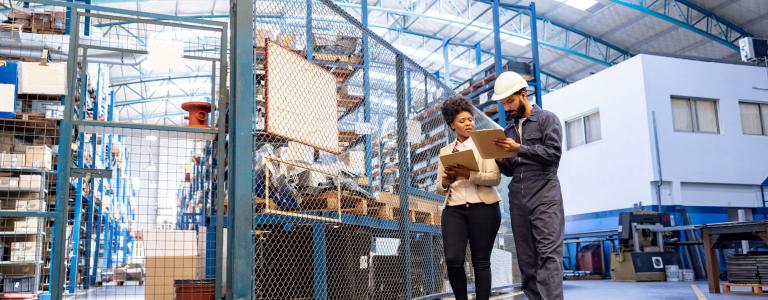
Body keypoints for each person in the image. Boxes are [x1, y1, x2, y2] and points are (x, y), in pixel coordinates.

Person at [491, 71, 565, 300]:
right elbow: (510, 169)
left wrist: (519, 148)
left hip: (545, 194)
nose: (507, 108)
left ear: (523, 95)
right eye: (504, 104)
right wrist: (498, 158)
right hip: (518, 196)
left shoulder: (547, 119)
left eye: (510, 101)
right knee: (527, 260)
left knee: (548, 256)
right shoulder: (508, 131)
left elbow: (553, 154)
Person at [435, 96, 502, 300]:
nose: (468, 123)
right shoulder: (445, 151)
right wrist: (446, 180)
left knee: (481, 261)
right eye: (462, 121)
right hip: (454, 209)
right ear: (451, 125)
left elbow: (494, 178)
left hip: (484, 207)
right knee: (453, 259)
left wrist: (468, 175)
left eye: (470, 119)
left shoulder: (484, 144)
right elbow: (439, 187)